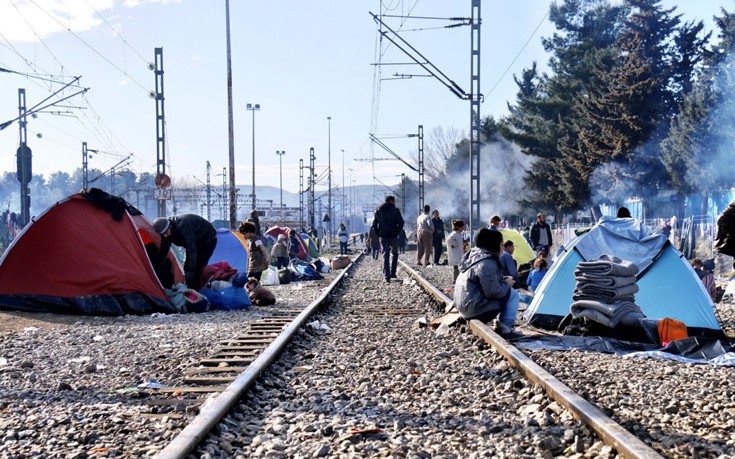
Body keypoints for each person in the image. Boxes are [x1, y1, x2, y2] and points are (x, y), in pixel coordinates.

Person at [453, 228, 520, 336]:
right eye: (501, 244)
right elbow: (493, 292)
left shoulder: (475, 256)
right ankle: (507, 326)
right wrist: (507, 283)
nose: (503, 248)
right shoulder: (487, 263)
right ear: (494, 245)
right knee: (513, 294)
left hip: (464, 307)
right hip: (475, 310)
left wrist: (502, 280)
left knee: (507, 290)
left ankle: (499, 323)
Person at [153, 214, 217, 290]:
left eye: (166, 233)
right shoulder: (166, 233)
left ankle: (197, 291)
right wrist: (156, 267)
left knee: (198, 266)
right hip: (195, 240)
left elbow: (191, 250)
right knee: (191, 269)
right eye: (163, 234)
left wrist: (189, 271)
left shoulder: (183, 226)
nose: (165, 236)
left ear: (170, 227)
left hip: (207, 238)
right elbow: (164, 250)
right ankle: (191, 288)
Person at [372, 195, 405, 282]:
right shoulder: (395, 210)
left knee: (385, 255)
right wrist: (397, 232)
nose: (394, 203)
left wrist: (378, 233)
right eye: (394, 201)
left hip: (383, 236)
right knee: (395, 254)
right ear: (391, 201)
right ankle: (393, 273)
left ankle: (387, 276)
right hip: (393, 236)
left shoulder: (378, 210)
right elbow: (401, 223)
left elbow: (374, 225)